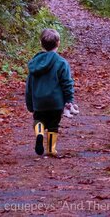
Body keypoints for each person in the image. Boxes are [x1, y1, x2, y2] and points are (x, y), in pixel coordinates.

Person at [25, 28, 74, 156]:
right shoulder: (61, 62)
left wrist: (29, 103)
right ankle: (51, 149)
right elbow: (67, 83)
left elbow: (29, 85)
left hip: (39, 100)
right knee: (53, 125)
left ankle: (40, 133)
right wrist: (69, 100)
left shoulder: (34, 63)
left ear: (41, 43)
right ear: (58, 43)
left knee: (39, 120)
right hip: (56, 102)